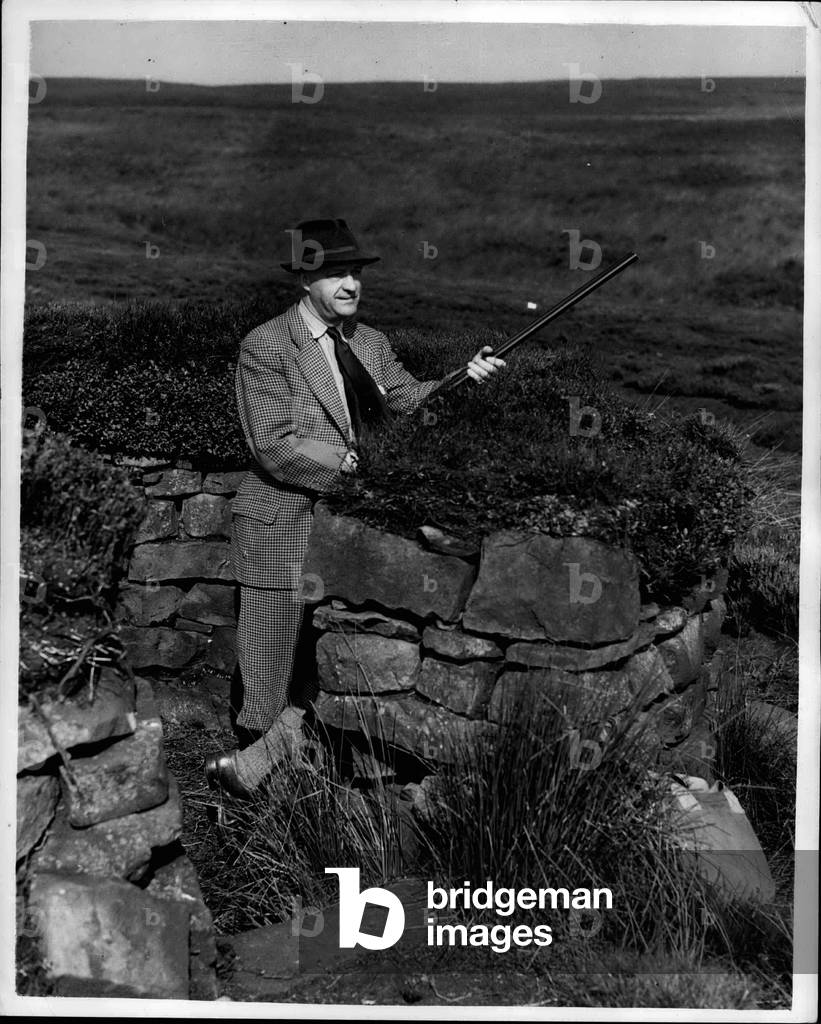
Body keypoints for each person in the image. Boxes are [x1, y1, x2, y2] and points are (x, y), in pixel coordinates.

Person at [205, 218, 505, 797]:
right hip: (282, 520)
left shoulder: (368, 342)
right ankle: (257, 794)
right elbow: (273, 442)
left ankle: (272, 779)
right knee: (271, 658)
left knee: (334, 662)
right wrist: (347, 462)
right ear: (304, 280)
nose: (351, 283)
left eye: (357, 272)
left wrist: (462, 379)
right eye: (336, 272)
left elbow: (407, 401)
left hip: (345, 529)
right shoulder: (266, 346)